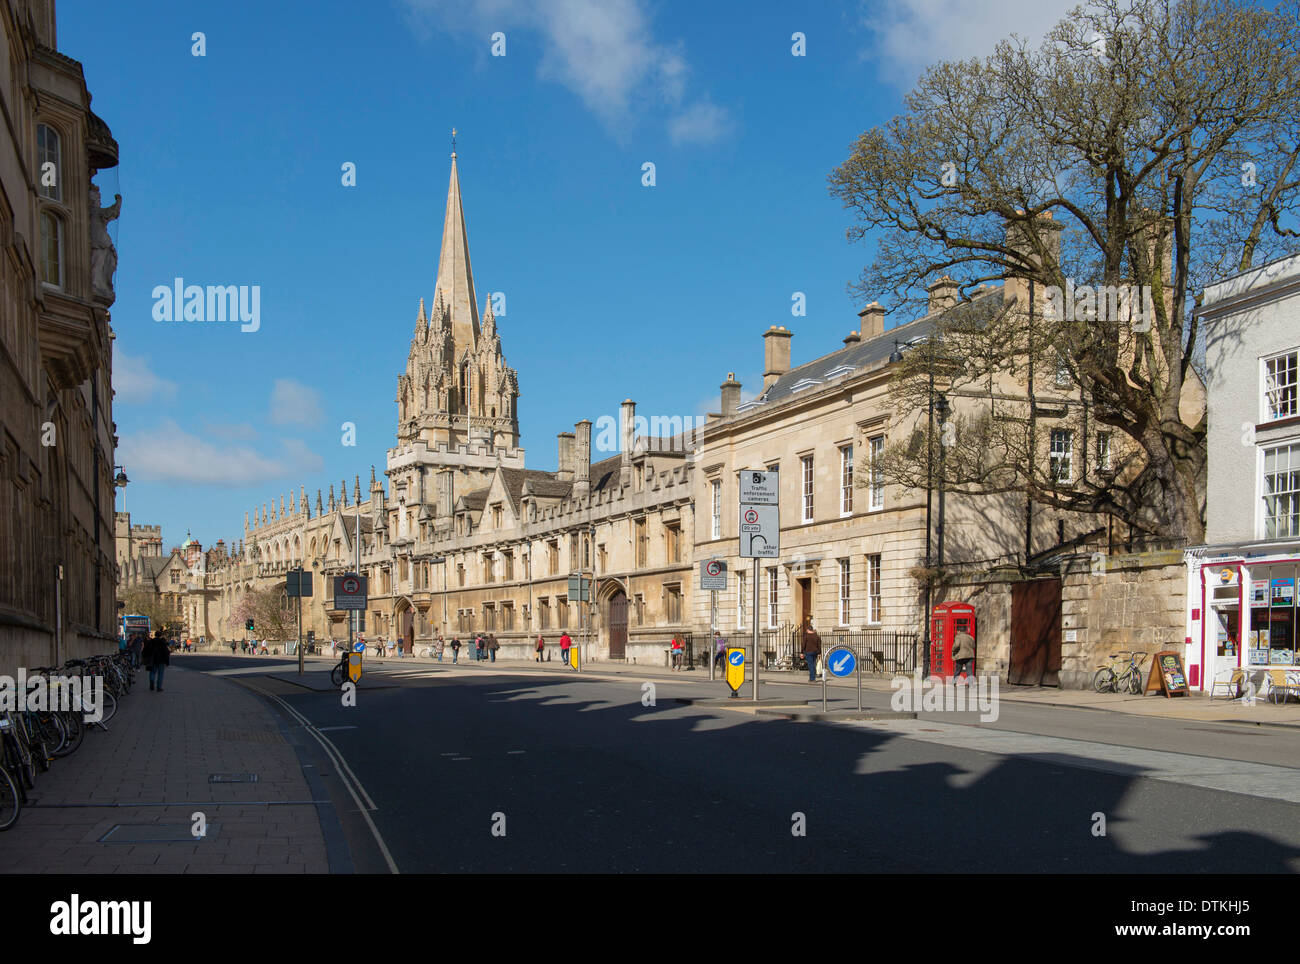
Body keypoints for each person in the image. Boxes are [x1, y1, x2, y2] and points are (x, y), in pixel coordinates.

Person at [801, 617, 822, 683]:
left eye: (806, 630)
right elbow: (819, 645)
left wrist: (802, 652)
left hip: (808, 652)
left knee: (810, 665)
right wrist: (819, 653)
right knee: (813, 664)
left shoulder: (806, 636)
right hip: (815, 652)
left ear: (808, 630)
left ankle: (812, 678)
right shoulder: (817, 636)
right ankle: (812, 677)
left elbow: (803, 645)